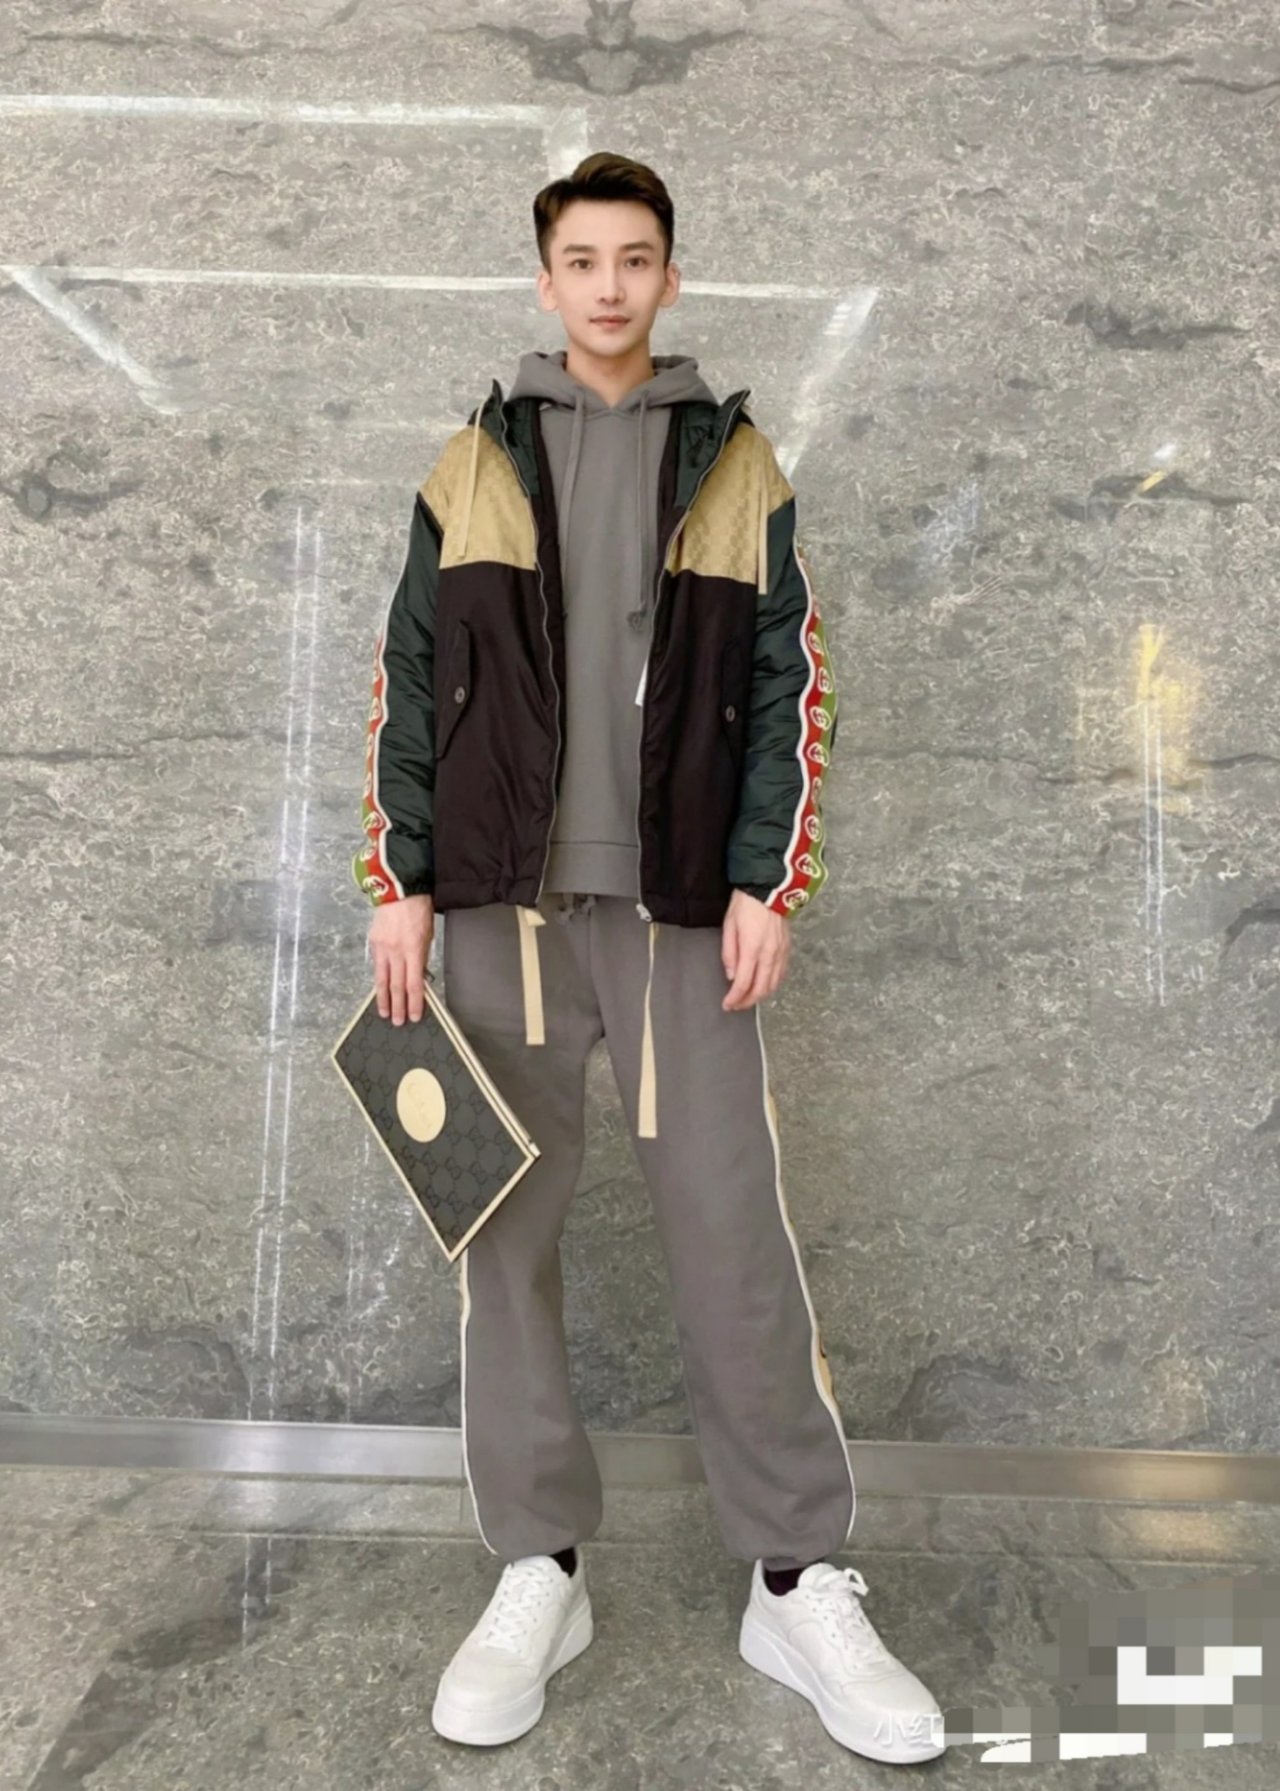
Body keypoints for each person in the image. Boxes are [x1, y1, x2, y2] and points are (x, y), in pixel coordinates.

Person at [352, 152, 945, 1765]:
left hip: (682, 916)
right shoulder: (468, 465)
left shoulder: (737, 465)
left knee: (733, 1242)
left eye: (635, 259)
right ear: (545, 280)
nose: (609, 285)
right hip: (499, 916)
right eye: (582, 260)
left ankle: (794, 1578)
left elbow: (793, 682)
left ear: (670, 277)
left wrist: (767, 882)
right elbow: (408, 676)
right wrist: (400, 880)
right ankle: (538, 1568)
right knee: (501, 1243)